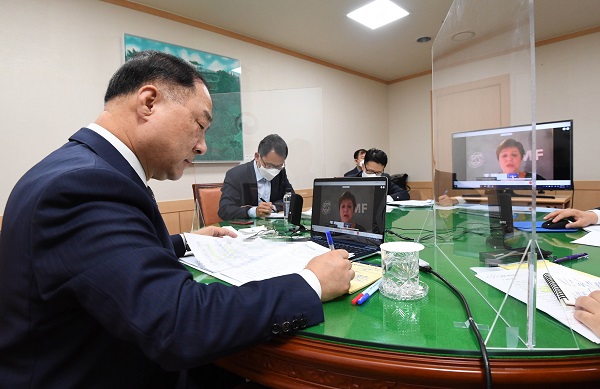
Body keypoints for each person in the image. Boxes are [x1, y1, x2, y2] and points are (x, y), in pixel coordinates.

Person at [0, 51, 354, 388]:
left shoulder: (82, 167)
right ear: (149, 102)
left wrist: (187, 241)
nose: (202, 146)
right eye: (200, 125)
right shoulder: (87, 186)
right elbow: (180, 323)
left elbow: (96, 263)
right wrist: (310, 282)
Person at [218, 134, 294, 220]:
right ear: (257, 157)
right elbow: (225, 210)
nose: (274, 170)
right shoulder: (236, 175)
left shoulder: (280, 172)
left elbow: (292, 198)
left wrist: (273, 207)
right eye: (269, 165)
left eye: (278, 166)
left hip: (272, 228)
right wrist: (254, 211)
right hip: (245, 229)